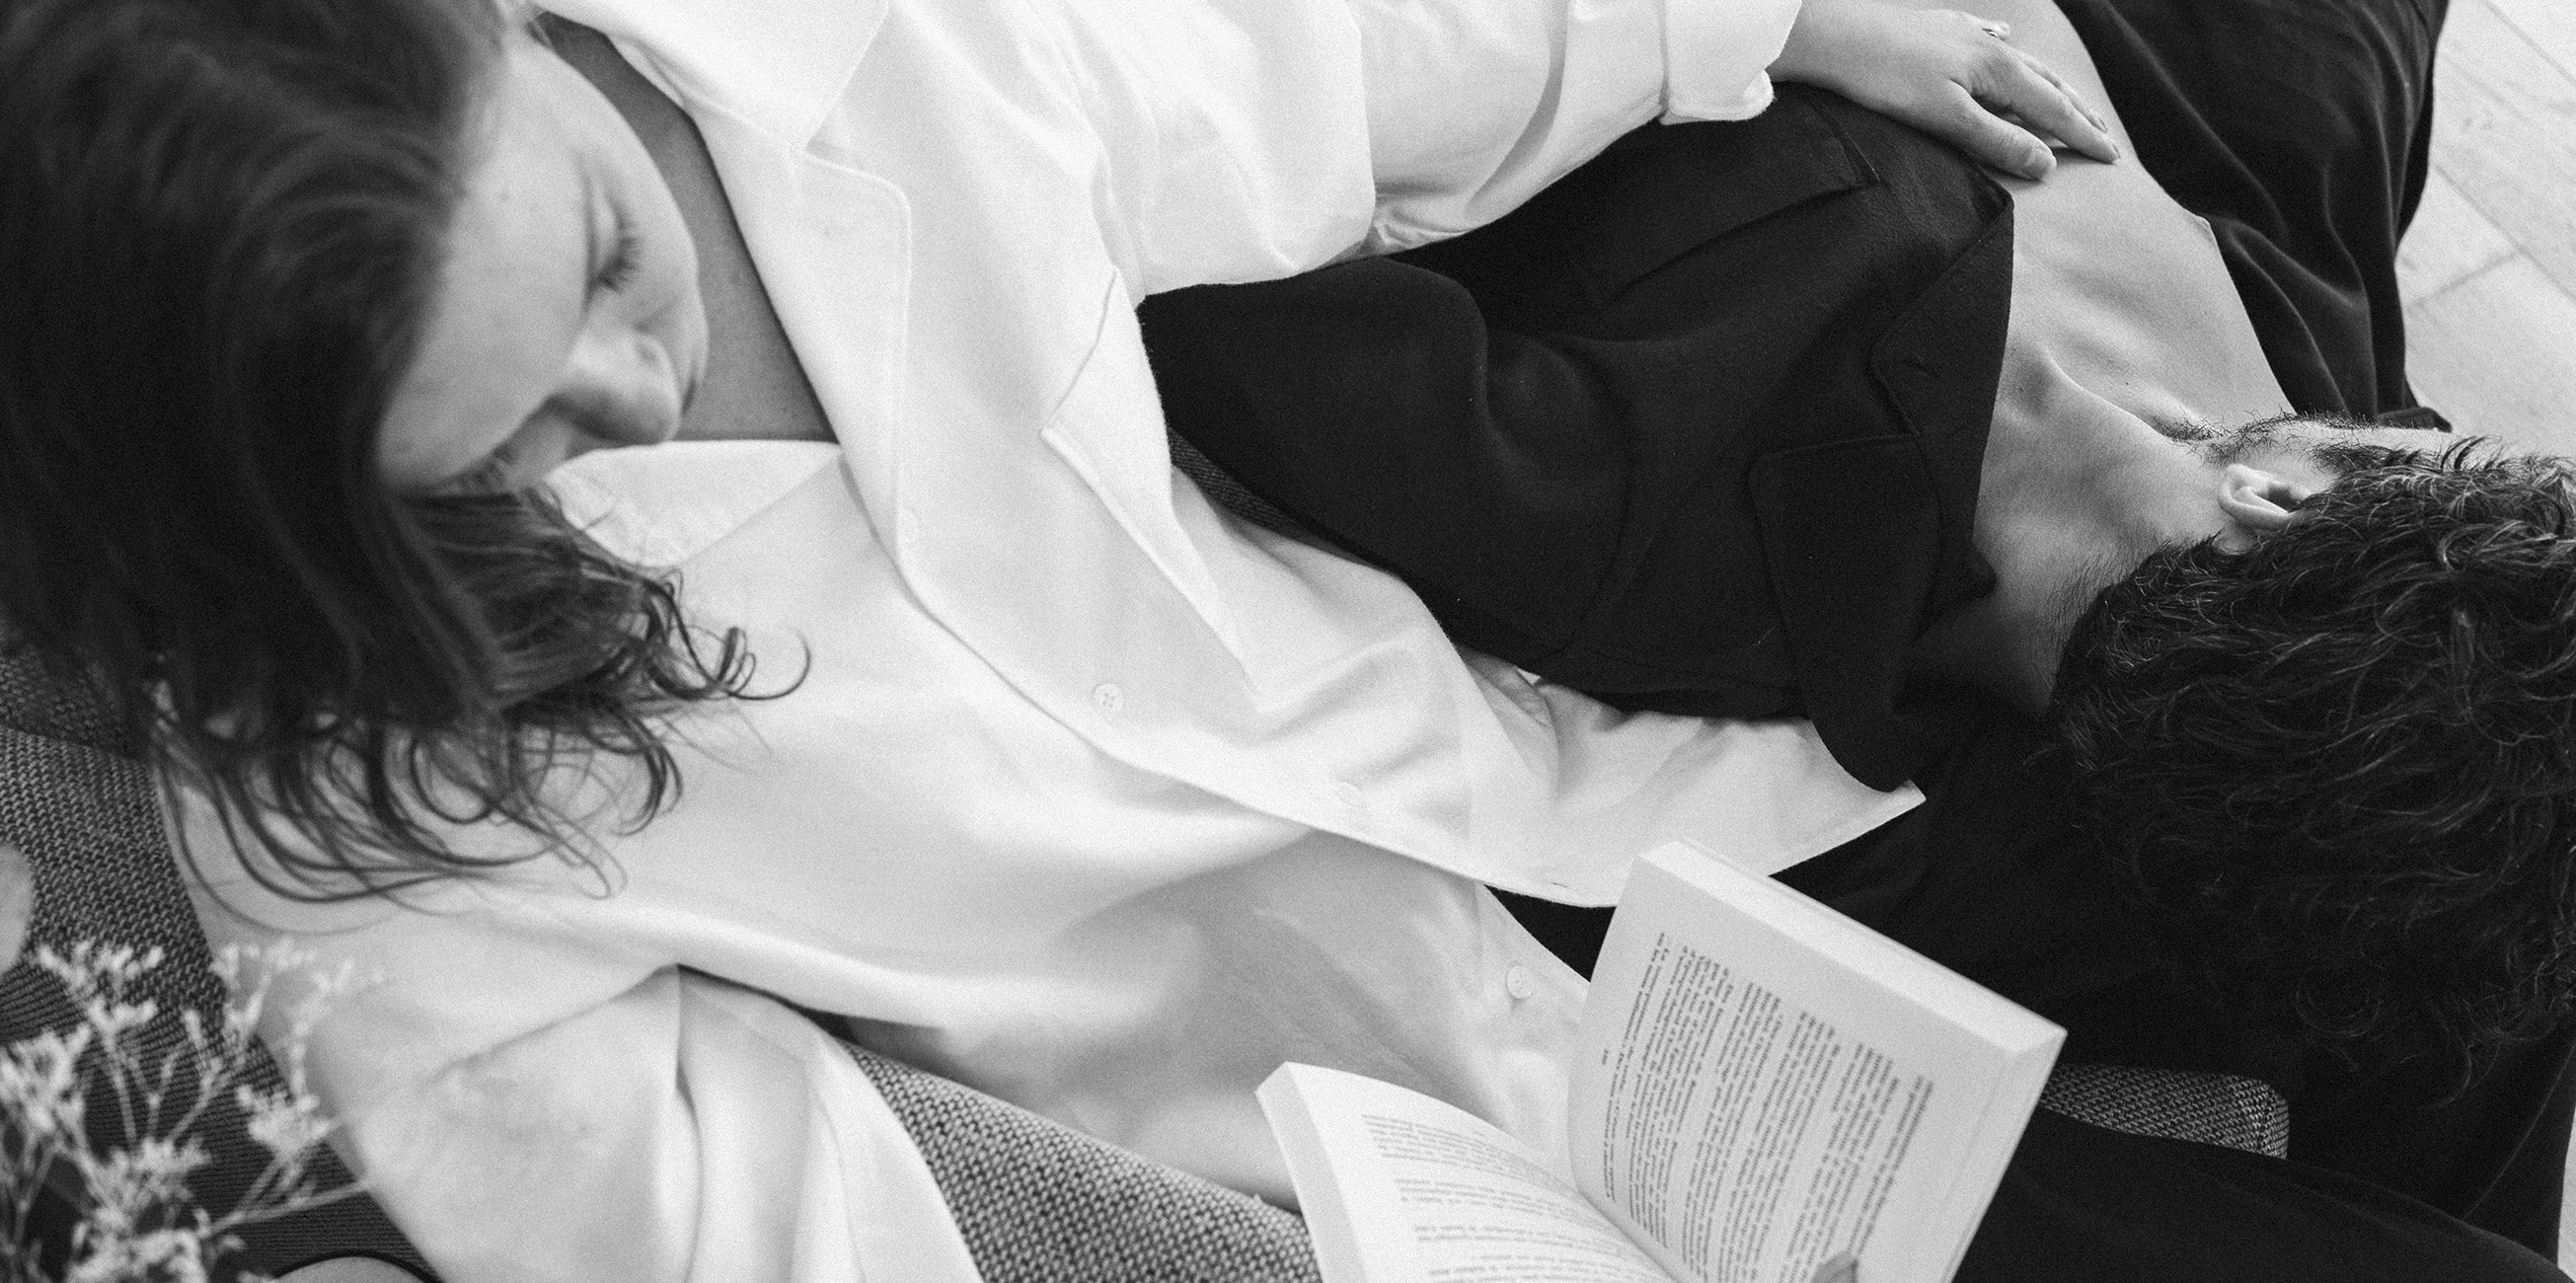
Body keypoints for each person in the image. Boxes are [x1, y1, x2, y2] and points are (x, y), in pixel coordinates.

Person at [0, 0, 2161, 1277]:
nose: (630, 396)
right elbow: (719, 1224)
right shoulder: (354, 808)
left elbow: (1297, 64)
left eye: (596, 259)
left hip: (1582, 759)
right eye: (497, 447)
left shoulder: (827, 48)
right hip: (1418, 1144)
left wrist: (1744, 26)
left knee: (2309, 821)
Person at [1136, 0, 2576, 1264]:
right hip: (2210, 259)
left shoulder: (1605, 495)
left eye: (2440, 448)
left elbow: (1180, 216)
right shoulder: (2260, 477)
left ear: (2284, 494)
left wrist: (1758, 25)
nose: (2426, 429)